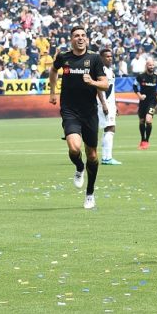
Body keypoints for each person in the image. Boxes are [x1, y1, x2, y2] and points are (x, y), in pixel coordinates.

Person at [49, 26, 108, 209]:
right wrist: (52, 92)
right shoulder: (63, 57)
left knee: (92, 154)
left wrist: (93, 82)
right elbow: (53, 71)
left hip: (89, 112)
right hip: (69, 110)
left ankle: (90, 193)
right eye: (76, 35)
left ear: (87, 39)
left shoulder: (95, 58)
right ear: (71, 39)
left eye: (83, 35)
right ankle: (79, 167)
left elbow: (104, 84)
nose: (80, 38)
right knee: (74, 148)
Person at [97, 49, 122, 165]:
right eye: (107, 56)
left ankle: (106, 157)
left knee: (108, 128)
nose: (110, 58)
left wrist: (115, 104)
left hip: (110, 103)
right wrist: (103, 104)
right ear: (101, 58)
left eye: (111, 56)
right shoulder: (101, 71)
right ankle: (107, 158)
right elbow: (98, 88)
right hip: (104, 103)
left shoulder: (110, 71)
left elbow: (111, 89)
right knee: (110, 128)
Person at [133, 57, 157, 149]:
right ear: (146, 66)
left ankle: (147, 141)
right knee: (142, 121)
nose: (152, 66)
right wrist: (139, 95)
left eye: (153, 65)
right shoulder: (140, 76)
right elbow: (134, 86)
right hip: (143, 102)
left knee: (148, 120)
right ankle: (142, 139)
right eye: (150, 65)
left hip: (153, 101)